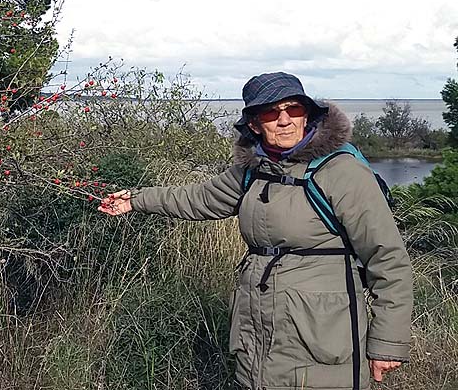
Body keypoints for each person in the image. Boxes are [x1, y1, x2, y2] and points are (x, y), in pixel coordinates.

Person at [99, 72, 413, 390]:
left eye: (294, 109)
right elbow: (200, 198)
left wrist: (388, 340)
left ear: (308, 115)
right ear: (254, 124)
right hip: (258, 333)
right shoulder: (253, 170)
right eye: (270, 113)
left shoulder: (341, 171)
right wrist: (135, 200)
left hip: (322, 337)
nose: (285, 120)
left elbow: (387, 257)